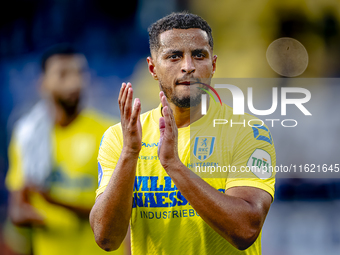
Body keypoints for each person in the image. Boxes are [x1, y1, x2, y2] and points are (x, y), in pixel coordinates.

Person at [90, 12, 275, 255]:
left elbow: (245, 230)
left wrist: (173, 165)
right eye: (174, 56)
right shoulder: (121, 138)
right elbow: (106, 239)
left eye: (199, 55)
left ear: (214, 65)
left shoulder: (247, 132)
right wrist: (129, 153)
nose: (188, 67)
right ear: (153, 68)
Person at [5, 44, 128, 255]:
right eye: (63, 74)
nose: (74, 82)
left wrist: (52, 201)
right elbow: (17, 210)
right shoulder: (27, 135)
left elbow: (116, 212)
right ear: (42, 83)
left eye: (79, 73)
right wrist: (29, 216)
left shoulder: (109, 133)